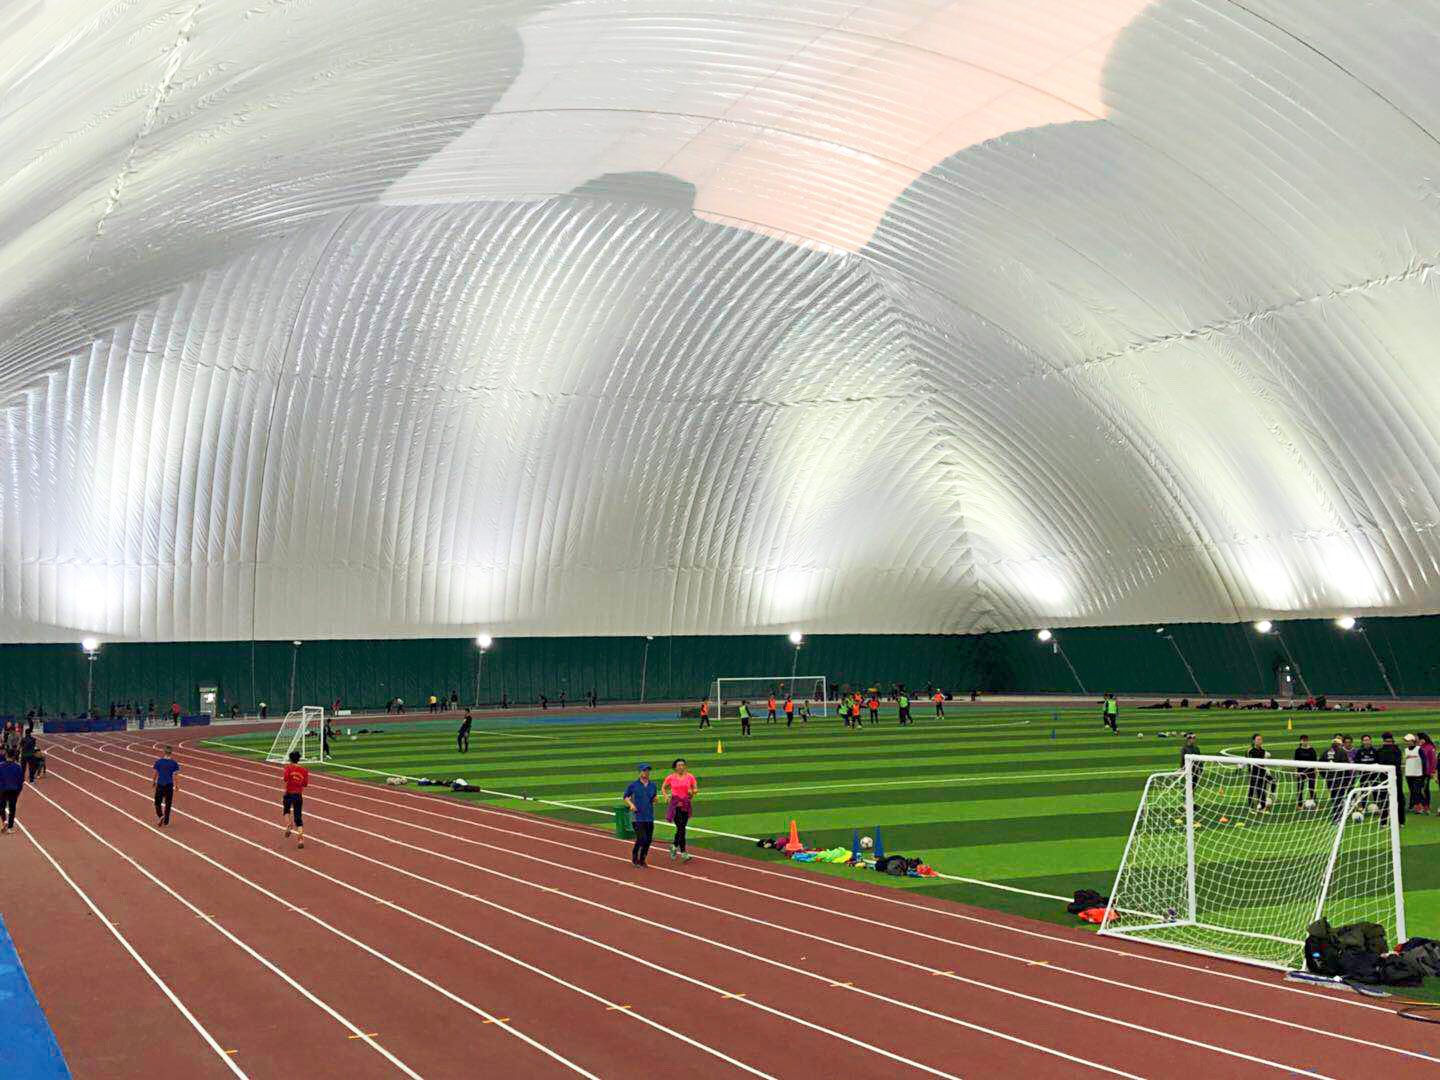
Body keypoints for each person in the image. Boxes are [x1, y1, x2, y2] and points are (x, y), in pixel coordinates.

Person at [661, 758, 697, 862]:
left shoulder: (690, 777)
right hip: (675, 805)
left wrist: (692, 792)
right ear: (675, 767)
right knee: (681, 827)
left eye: (682, 765)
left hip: (685, 804)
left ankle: (674, 846)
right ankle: (684, 852)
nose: (681, 767)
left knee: (682, 828)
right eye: (679, 765)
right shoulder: (671, 777)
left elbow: (695, 789)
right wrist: (665, 797)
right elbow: (663, 787)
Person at [623, 763, 657, 867]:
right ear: (640, 772)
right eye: (644, 770)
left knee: (648, 840)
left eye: (647, 770)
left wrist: (655, 799)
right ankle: (635, 857)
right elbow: (625, 797)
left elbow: (653, 798)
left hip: (649, 816)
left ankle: (642, 859)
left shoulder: (653, 785)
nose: (646, 772)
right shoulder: (633, 785)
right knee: (642, 838)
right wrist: (631, 805)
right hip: (637, 817)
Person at [1374, 732, 1405, 826]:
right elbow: (1396, 764)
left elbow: (1378, 764)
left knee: (1385, 799)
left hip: (1386, 778)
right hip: (1395, 778)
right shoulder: (1397, 751)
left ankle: (1384, 822)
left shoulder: (1380, 751)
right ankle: (1400, 821)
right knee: (1398, 799)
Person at [282, 749, 309, 849]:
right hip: (298, 795)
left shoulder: (288, 768)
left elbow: (285, 779)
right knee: (298, 817)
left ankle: (288, 824)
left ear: (290, 759)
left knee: (286, 810)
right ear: (299, 759)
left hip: (289, 793)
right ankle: (300, 839)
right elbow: (305, 784)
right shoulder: (304, 771)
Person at [153, 746, 180, 827]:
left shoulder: (158, 762)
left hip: (160, 784)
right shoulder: (174, 763)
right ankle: (166, 821)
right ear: (171, 753)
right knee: (168, 803)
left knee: (157, 802)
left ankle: (161, 815)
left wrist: (153, 781)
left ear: (164, 752)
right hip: (169, 785)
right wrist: (177, 785)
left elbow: (155, 773)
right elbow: (176, 775)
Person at [1246, 734, 1270, 813]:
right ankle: (1250, 807)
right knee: (1252, 790)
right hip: (1253, 773)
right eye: (1258, 739)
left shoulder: (1263, 751)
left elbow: (1264, 763)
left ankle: (1262, 807)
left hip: (1262, 773)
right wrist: (1249, 773)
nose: (1260, 741)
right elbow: (1248, 762)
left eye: (1261, 739)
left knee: (1261, 790)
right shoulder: (1250, 751)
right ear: (1254, 741)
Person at [0, 751, 23, 833]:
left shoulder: (0, 766)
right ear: (13, 757)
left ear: (6, 756)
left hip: (2, 789)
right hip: (14, 789)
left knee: (1, 807)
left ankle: (4, 821)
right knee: (12, 808)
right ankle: (10, 827)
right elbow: (20, 780)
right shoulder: (18, 767)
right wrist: (19, 791)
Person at [1293, 734, 1318, 808]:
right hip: (1301, 771)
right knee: (1300, 787)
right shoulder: (1298, 750)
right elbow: (1296, 762)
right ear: (1300, 741)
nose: (1305, 742)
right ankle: (1300, 804)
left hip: (1311, 771)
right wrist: (1296, 771)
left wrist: (1316, 770)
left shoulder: (1312, 750)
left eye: (1306, 740)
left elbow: (1315, 761)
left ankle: (1313, 803)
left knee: (1312, 787)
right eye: (1303, 740)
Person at [1403, 734, 1424, 814]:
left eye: (1408, 741)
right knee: (1412, 791)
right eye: (1406, 741)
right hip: (1409, 774)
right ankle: (1412, 806)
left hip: (1418, 774)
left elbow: (1424, 761)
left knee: (1417, 791)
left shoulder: (1419, 749)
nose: (1407, 742)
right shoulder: (1406, 750)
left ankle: (1419, 808)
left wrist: (1424, 773)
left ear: (1413, 741)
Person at [1418, 732, 1437, 814]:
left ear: (1423, 739)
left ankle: (1426, 807)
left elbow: (1433, 760)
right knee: (1419, 789)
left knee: (1425, 789)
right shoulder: (1421, 747)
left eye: (1418, 739)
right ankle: (1422, 806)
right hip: (1419, 772)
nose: (1417, 740)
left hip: (1426, 772)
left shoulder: (1430, 747)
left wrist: (1432, 772)